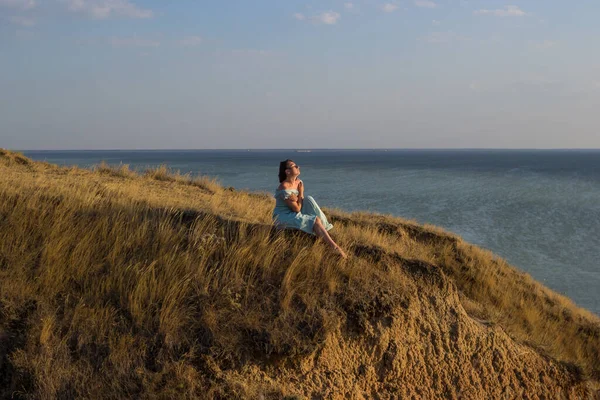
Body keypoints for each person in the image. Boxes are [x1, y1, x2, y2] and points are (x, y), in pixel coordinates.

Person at [273, 159, 347, 259]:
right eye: (295, 166)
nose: (298, 167)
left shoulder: (298, 182)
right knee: (315, 220)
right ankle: (335, 248)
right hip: (283, 216)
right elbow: (297, 209)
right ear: (287, 171)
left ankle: (324, 229)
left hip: (293, 212)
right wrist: (301, 193)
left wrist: (299, 195)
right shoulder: (284, 187)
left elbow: (301, 202)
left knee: (309, 199)